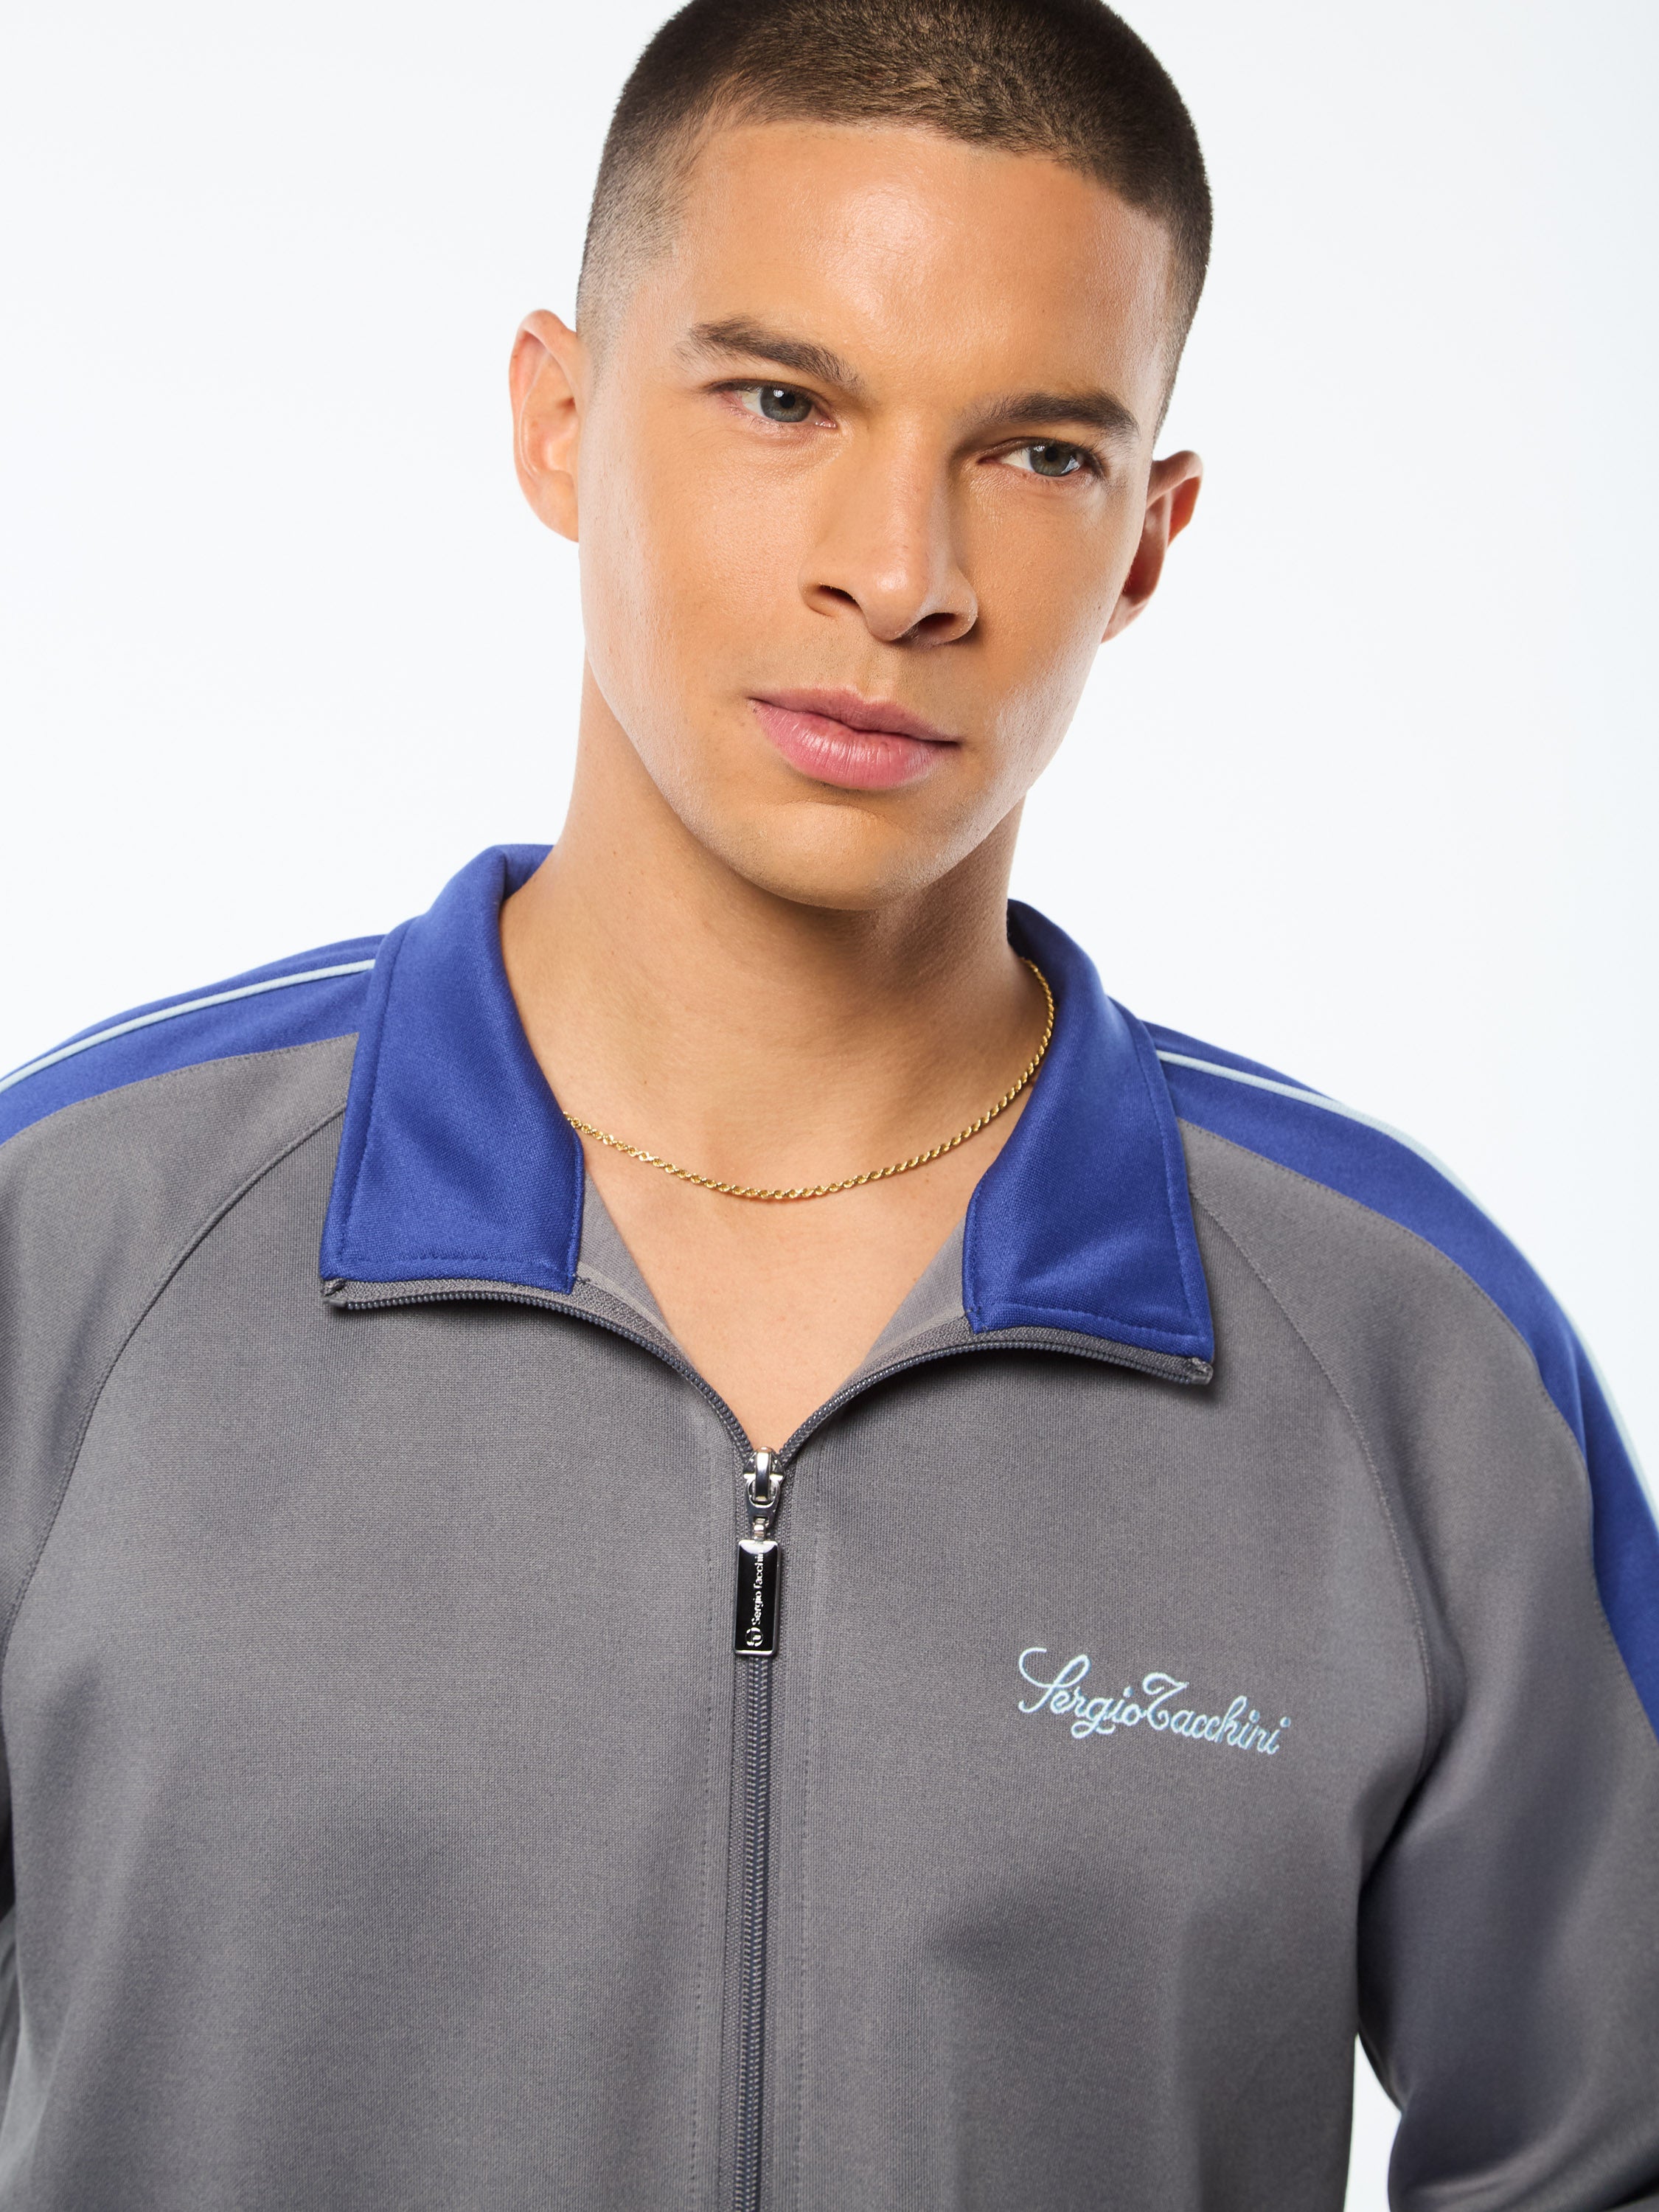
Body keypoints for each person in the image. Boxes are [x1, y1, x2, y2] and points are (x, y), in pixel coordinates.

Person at [0, 0, 1654, 2203]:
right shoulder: (68, 1245)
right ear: (559, 422)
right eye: (783, 400)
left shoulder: (1413, 1354)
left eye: (1036, 453)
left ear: (1148, 541)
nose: (900, 575)